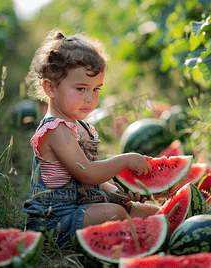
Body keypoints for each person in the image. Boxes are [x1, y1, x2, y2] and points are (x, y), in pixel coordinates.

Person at [24, 30, 159, 247]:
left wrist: (114, 190)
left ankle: (165, 229)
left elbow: (93, 176)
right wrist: (125, 160)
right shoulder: (55, 129)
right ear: (51, 88)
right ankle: (139, 240)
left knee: (148, 212)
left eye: (96, 89)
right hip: (55, 221)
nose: (90, 98)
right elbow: (87, 173)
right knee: (115, 213)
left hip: (83, 204)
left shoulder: (79, 124)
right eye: (81, 89)